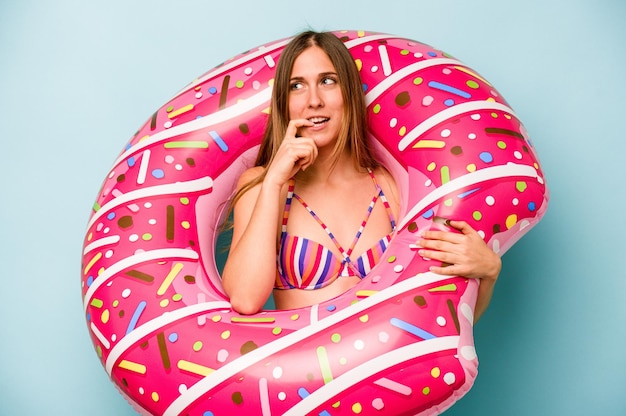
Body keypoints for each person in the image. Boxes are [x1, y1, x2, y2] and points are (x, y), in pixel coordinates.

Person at [222, 31, 501, 320]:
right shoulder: (263, 185)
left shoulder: (389, 187)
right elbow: (245, 299)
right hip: (306, 365)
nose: (314, 100)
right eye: (297, 86)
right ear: (284, 102)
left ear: (349, 92)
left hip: (392, 364)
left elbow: (445, 317)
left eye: (327, 81)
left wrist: (489, 273)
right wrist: (274, 183)